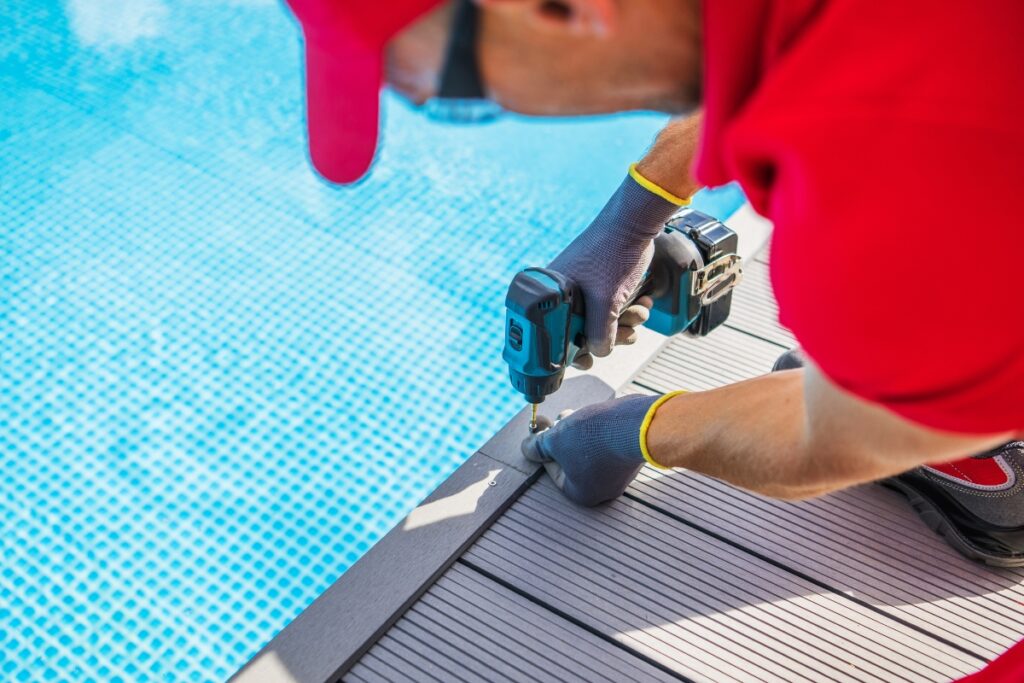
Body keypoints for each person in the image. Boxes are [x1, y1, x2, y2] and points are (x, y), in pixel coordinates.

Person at [282, 0, 1024, 671]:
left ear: (561, 10)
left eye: (458, 101)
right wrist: (636, 210)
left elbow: (825, 438)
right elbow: (768, 50)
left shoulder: (903, 215)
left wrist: (634, 430)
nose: (493, 108)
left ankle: (987, 461)